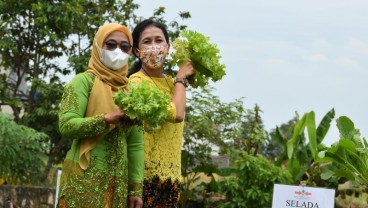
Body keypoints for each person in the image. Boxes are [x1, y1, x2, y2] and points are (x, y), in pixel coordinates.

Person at [57, 23, 144, 208]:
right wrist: (105, 119)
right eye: (110, 44)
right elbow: (66, 125)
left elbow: (135, 144)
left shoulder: (132, 91)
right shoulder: (83, 82)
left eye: (124, 46)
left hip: (116, 183)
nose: (117, 50)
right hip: (83, 177)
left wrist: (135, 188)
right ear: (98, 46)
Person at [128, 19, 196, 207]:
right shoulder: (136, 82)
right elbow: (176, 114)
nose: (154, 47)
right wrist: (181, 78)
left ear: (168, 46)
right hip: (145, 179)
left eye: (159, 41)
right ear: (136, 51)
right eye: (147, 42)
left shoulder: (170, 83)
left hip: (171, 179)